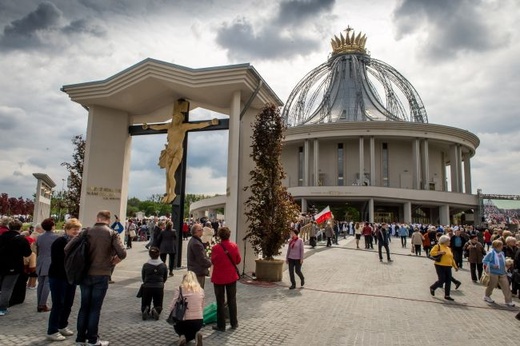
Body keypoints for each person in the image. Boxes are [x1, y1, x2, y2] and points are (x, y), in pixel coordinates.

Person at [65, 210, 126, 346]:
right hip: (102, 274)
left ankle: (80, 339)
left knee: (84, 306)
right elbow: (122, 253)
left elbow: (68, 247)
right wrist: (113, 262)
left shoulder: (86, 231)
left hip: (85, 273)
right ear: (108, 220)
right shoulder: (111, 233)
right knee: (95, 308)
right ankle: (93, 339)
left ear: (97, 218)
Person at [142, 98, 219, 203]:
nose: (175, 119)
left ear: (180, 119)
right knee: (167, 174)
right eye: (174, 117)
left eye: (177, 117)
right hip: (169, 151)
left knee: (171, 174)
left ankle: (172, 192)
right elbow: (158, 127)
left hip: (178, 151)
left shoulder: (183, 127)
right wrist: (148, 126)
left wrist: (210, 122)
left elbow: (197, 125)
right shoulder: (169, 126)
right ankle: (167, 193)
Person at [46, 218, 82, 342]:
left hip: (70, 278)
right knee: (58, 304)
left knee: (68, 303)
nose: (76, 232)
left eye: (78, 229)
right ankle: (52, 330)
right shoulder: (60, 242)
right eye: (74, 229)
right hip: (58, 277)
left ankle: (62, 325)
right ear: (67, 229)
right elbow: (58, 260)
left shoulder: (77, 242)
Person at [210, 226, 241, 332]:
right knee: (232, 300)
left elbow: (213, 261)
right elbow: (238, 260)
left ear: (219, 236)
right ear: (229, 235)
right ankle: (234, 323)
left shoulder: (215, 248)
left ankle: (221, 325)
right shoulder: (234, 246)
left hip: (219, 277)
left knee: (220, 301)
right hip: (231, 276)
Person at [0, 219, 32, 316]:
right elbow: (28, 253)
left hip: (1, 264)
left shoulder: (2, 236)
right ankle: (2, 308)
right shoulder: (21, 239)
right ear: (20, 227)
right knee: (7, 287)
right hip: (14, 266)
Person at [169, 271, 204, 346]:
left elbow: (172, 305)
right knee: (193, 329)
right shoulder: (201, 290)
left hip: (183, 322)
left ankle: (182, 336)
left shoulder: (179, 289)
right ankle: (196, 334)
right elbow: (202, 306)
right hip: (198, 321)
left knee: (177, 322)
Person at [36, 218, 59, 312]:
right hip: (50, 261)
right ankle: (42, 304)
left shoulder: (40, 237)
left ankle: (39, 303)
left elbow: (38, 248)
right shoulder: (56, 237)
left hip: (40, 260)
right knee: (47, 283)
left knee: (40, 283)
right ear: (52, 226)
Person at [482, 240, 515, 307]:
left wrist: (507, 264)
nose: (502, 247)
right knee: (491, 286)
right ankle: (487, 296)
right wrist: (492, 265)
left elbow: (502, 262)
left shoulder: (502, 253)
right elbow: (484, 261)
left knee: (506, 286)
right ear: (497, 246)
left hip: (502, 273)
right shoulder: (491, 253)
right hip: (493, 273)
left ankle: (508, 301)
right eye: (501, 245)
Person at [141, 246, 168, 321]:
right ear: (158, 254)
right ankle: (156, 309)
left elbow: (143, 277)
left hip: (147, 286)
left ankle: (146, 308)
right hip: (159, 287)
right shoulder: (163, 265)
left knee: (146, 301)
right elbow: (165, 277)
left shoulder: (146, 265)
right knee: (158, 303)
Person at [429, 235, 458, 301]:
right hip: (439, 265)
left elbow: (451, 258)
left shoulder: (449, 248)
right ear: (444, 241)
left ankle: (447, 295)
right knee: (441, 279)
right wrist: (440, 252)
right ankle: (433, 287)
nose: (449, 242)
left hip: (448, 266)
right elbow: (432, 253)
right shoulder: (438, 246)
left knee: (448, 280)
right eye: (448, 241)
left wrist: (455, 266)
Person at [187, 224, 212, 289]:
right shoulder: (196, 243)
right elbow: (201, 259)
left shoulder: (194, 241)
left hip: (195, 271)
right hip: (197, 272)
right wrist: (210, 262)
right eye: (201, 230)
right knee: (198, 292)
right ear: (197, 232)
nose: (202, 231)